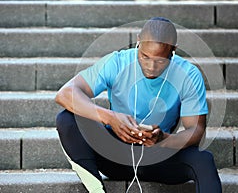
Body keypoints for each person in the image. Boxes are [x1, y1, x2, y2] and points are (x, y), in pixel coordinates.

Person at [55, 17, 222, 193]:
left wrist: (164, 139)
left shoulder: (188, 74)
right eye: (145, 57)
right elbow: (65, 93)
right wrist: (110, 118)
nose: (151, 66)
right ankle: (96, 190)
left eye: (160, 60)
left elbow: (195, 132)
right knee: (67, 119)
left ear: (173, 51)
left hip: (160, 157)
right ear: (138, 42)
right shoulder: (118, 62)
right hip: (115, 155)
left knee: (203, 159)